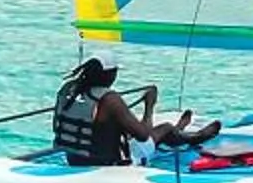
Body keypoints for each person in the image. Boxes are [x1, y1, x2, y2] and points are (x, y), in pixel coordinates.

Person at [50, 58, 198, 167]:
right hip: (106, 165)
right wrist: (149, 105)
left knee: (120, 129)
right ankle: (188, 136)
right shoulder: (110, 99)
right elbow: (143, 136)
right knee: (164, 129)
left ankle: (178, 130)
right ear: (110, 75)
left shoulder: (67, 90)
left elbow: (57, 126)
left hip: (72, 158)